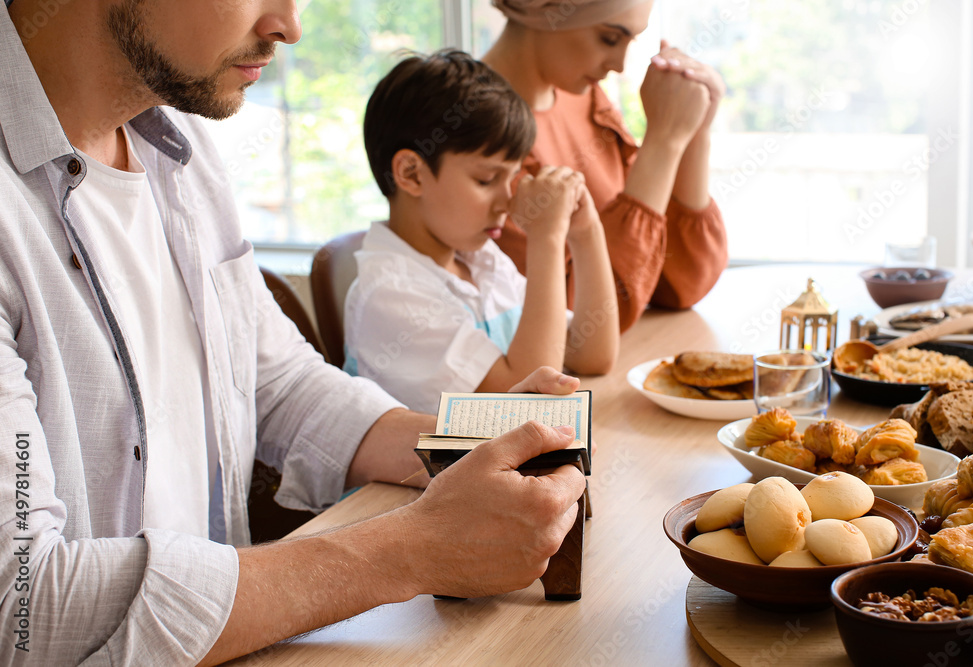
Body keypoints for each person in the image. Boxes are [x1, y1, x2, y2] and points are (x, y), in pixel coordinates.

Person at [0, 1, 586, 664]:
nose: (289, 25)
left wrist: (479, 444)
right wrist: (412, 549)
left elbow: (279, 382)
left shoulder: (181, 158)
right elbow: (22, 607)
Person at [344, 50, 619, 414]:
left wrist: (585, 233)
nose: (507, 201)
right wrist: (546, 238)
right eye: (486, 179)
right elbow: (528, 407)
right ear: (411, 173)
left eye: (513, 176)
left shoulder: (479, 260)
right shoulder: (391, 293)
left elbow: (592, 355)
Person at [482, 0, 729, 332]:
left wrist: (694, 133)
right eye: (610, 38)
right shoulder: (477, 130)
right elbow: (579, 325)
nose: (619, 65)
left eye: (631, 42)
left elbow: (681, 283)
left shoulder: (583, 96)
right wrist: (664, 142)